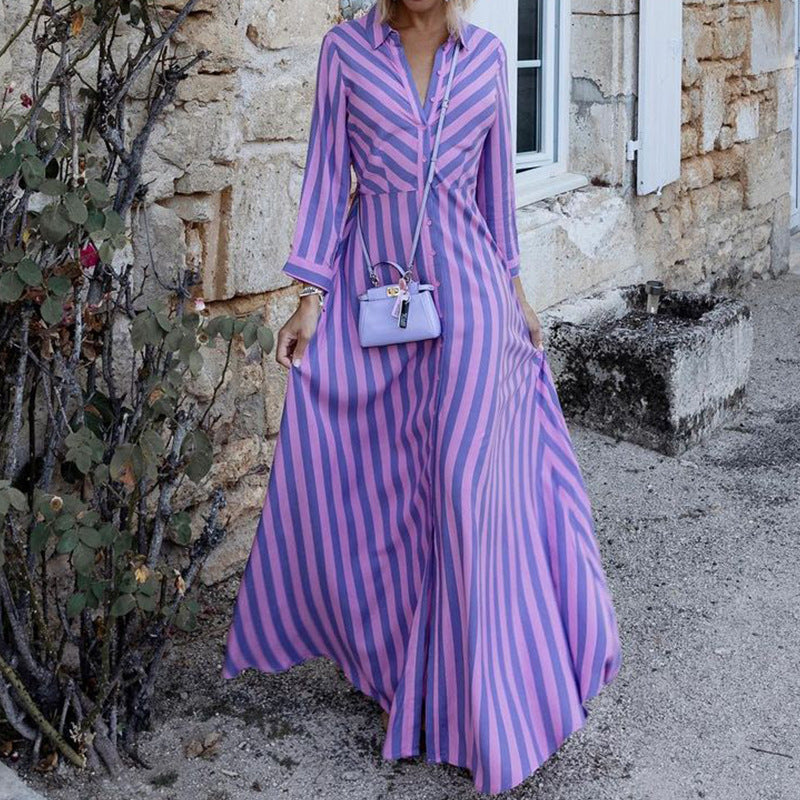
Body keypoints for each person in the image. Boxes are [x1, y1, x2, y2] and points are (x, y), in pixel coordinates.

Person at [222, 0, 622, 794]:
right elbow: (326, 177)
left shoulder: (488, 58)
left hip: (472, 297)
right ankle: (404, 672)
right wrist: (308, 299)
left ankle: (487, 703)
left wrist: (518, 296)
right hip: (376, 290)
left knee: (467, 491)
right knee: (388, 490)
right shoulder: (345, 51)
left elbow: (495, 195)